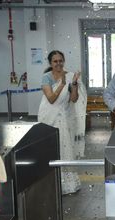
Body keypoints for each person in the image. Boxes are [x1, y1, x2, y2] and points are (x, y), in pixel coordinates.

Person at [38, 50, 86, 195]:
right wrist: (62, 84)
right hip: (49, 117)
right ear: (50, 63)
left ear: (64, 61)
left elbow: (74, 99)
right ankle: (51, 182)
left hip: (64, 118)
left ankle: (67, 184)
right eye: (55, 61)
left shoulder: (70, 76)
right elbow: (51, 99)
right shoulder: (46, 77)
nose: (58, 63)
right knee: (50, 150)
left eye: (60, 60)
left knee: (65, 148)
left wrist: (74, 84)